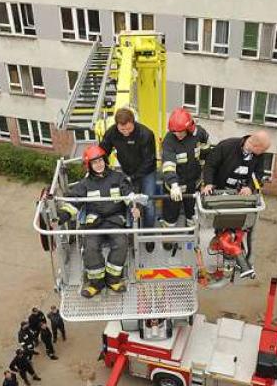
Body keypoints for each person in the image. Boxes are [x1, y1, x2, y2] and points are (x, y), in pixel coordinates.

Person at [55, 145, 140, 298]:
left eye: (100, 160)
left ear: (105, 161)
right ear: (89, 166)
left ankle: (113, 279)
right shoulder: (85, 184)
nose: (99, 164)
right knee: (90, 248)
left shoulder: (118, 177)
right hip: (94, 223)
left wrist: (135, 207)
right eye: (95, 163)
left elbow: (129, 194)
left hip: (115, 221)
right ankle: (96, 283)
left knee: (121, 244)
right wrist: (59, 217)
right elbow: (74, 203)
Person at [100, 107, 157, 252]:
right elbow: (103, 151)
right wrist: (102, 167)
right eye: (122, 130)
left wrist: (133, 178)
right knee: (130, 205)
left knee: (148, 204)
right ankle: (133, 236)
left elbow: (149, 161)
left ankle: (148, 236)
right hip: (127, 171)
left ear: (133, 122)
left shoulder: (146, 134)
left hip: (146, 173)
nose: (125, 132)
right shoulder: (113, 132)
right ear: (117, 126)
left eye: (128, 129)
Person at [161, 108, 210, 236]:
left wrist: (205, 179)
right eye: (175, 132)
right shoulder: (169, 141)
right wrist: (174, 185)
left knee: (192, 213)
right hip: (175, 187)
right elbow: (168, 165)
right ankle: (168, 237)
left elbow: (206, 156)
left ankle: (191, 234)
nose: (178, 135)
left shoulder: (199, 134)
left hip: (194, 184)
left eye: (181, 131)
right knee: (171, 214)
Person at [202, 130, 271, 195]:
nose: (263, 152)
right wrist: (208, 183)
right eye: (263, 150)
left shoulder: (259, 155)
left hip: (241, 194)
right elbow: (210, 165)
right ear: (255, 146)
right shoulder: (226, 146)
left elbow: (258, 173)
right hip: (219, 190)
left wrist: (250, 187)